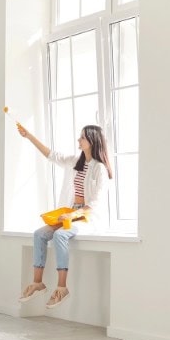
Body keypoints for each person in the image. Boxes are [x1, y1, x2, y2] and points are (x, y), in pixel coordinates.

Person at [17, 123, 112, 308]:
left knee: (60, 235)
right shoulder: (76, 162)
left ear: (92, 141)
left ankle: (62, 287)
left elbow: (94, 204)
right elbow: (51, 155)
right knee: (39, 234)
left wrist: (74, 214)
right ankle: (38, 283)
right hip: (70, 213)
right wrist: (29, 136)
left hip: (86, 216)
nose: (79, 139)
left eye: (82, 137)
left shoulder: (99, 168)